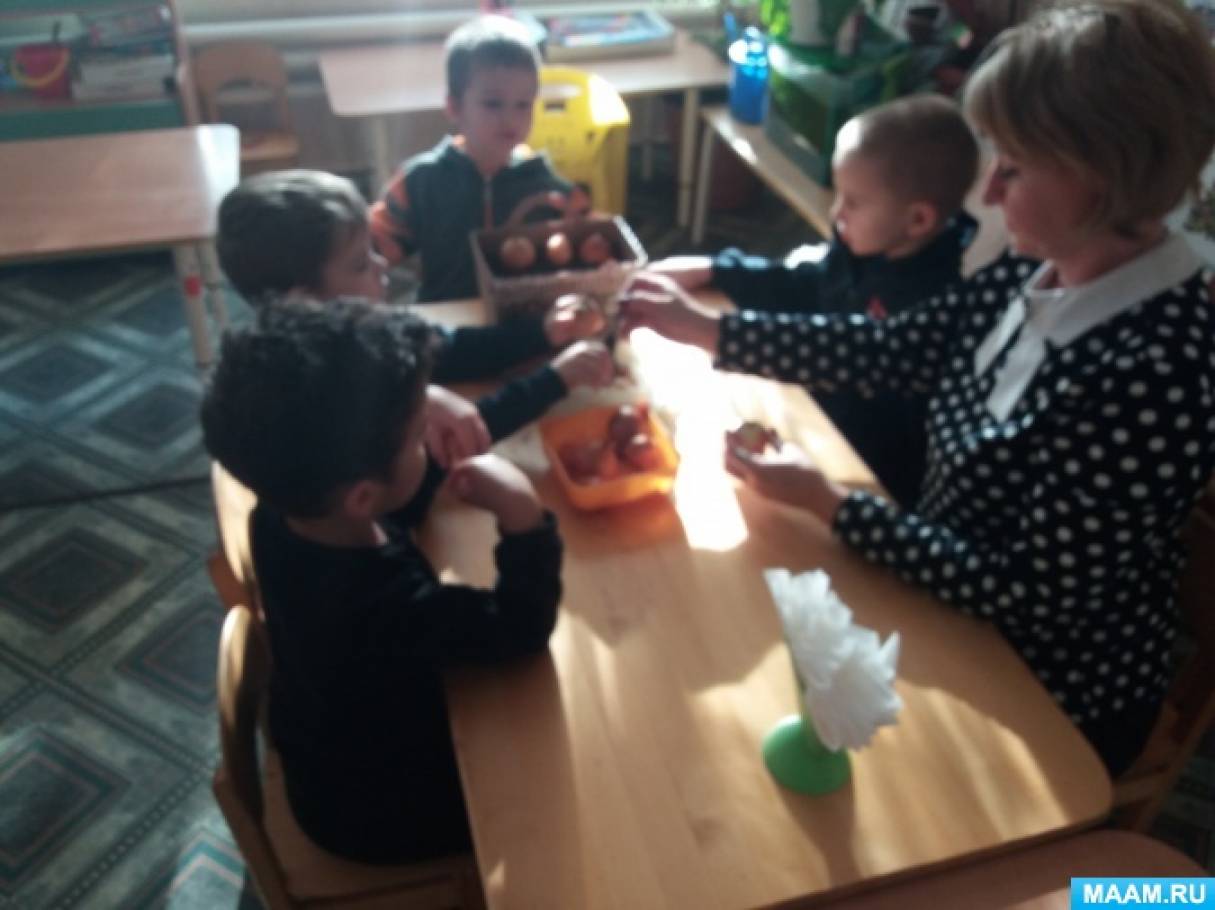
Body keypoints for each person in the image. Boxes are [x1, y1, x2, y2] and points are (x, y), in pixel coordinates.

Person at [619, 0, 1215, 776]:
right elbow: (892, 349)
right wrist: (709, 331)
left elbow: (1027, 596)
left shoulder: (1157, 371)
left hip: (1048, 694)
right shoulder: (1038, 267)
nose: (988, 193)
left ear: (1098, 177)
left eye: (1012, 167)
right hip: (941, 597)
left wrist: (834, 505)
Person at [201, 297, 562, 863]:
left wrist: (419, 427)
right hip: (381, 819)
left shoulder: (283, 511)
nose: (428, 436)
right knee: (556, 781)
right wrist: (524, 518)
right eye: (418, 435)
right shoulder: (385, 609)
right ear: (362, 494)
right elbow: (519, 628)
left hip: (326, 765)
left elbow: (391, 500)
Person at [646, 94, 980, 505]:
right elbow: (808, 287)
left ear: (918, 220)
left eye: (853, 202)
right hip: (812, 426)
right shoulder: (865, 245)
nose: (837, 213)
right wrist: (715, 270)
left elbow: (874, 418)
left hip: (863, 477)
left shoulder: (931, 310)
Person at [216, 169, 614, 453]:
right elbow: (453, 443)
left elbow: (448, 349)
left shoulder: (366, 323)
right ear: (304, 305)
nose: (383, 266)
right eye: (361, 264)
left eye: (374, 250)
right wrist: (554, 381)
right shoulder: (335, 396)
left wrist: (542, 332)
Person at [368, 15, 588, 302]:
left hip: (521, 315)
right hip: (446, 314)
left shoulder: (544, 185)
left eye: (523, 105)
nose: (510, 119)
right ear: (455, 107)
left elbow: (586, 239)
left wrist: (582, 233)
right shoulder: (420, 181)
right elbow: (373, 246)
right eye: (493, 104)